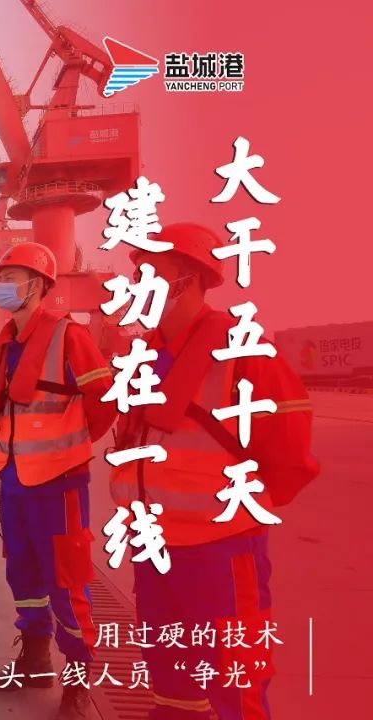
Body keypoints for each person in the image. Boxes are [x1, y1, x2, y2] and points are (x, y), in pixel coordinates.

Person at [109, 223, 319, 720]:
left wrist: (238, 511)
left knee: (235, 682)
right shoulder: (144, 356)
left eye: (151, 272)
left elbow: (290, 450)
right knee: (170, 677)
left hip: (219, 552)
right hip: (153, 545)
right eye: (137, 274)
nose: (139, 284)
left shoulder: (244, 351)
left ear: (190, 277)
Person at [0, 242, 116, 719]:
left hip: (59, 483)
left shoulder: (68, 336)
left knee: (67, 581)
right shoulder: (5, 342)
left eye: (11, 278)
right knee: (23, 573)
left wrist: (70, 448)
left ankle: (78, 680)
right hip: (15, 478)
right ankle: (36, 660)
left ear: (37, 285)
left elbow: (103, 399)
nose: (2, 287)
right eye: (0, 279)